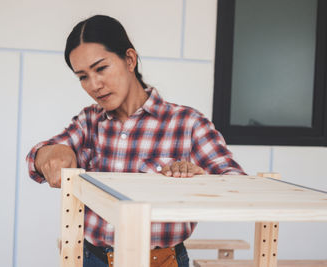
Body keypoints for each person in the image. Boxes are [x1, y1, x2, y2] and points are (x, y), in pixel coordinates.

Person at [26, 15, 245, 267]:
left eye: (101, 68)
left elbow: (237, 185)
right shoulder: (88, 121)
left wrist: (199, 178)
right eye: (83, 76)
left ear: (129, 59)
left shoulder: (188, 123)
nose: (94, 84)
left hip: (161, 262)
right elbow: (36, 158)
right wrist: (53, 153)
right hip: (92, 259)